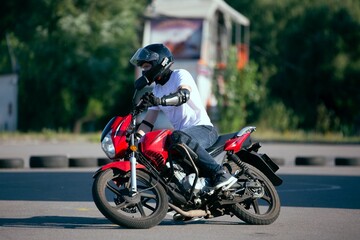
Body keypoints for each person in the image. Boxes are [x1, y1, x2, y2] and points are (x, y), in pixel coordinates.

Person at [130, 43, 237, 190]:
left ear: (160, 63)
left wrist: (159, 101)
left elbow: (183, 95)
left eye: (147, 66)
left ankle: (220, 173)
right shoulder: (156, 89)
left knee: (177, 137)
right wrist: (135, 140)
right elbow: (148, 123)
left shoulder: (180, 75)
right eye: (142, 67)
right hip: (184, 137)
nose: (144, 70)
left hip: (203, 130)